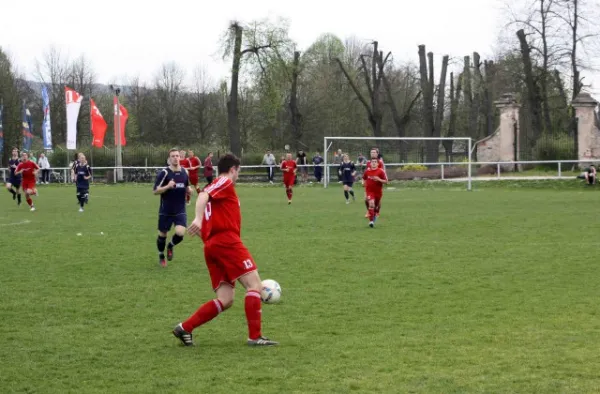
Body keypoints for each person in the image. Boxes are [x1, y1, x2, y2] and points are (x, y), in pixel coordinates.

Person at [172, 153, 278, 347]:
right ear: (232, 170)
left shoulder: (221, 189)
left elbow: (209, 206)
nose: (238, 176)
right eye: (238, 171)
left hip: (212, 245)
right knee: (254, 285)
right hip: (226, 241)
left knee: (225, 299)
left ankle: (185, 328)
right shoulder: (224, 182)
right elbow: (203, 195)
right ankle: (255, 337)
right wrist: (196, 218)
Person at [153, 149, 190, 267]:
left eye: (177, 156)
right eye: (173, 156)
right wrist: (168, 186)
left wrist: (189, 190)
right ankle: (161, 255)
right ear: (169, 158)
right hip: (166, 209)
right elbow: (155, 191)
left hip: (180, 209)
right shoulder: (164, 173)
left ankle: (171, 246)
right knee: (162, 235)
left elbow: (187, 186)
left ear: (180, 157)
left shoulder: (185, 172)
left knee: (180, 233)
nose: (175, 158)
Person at [362, 158, 388, 228]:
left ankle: (375, 214)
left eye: (375, 162)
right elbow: (364, 178)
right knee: (371, 204)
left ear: (377, 164)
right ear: (370, 164)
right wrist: (363, 183)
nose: (373, 163)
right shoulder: (367, 171)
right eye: (372, 162)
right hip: (370, 192)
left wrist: (378, 179)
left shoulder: (381, 171)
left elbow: (386, 182)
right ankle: (371, 222)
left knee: (376, 207)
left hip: (378, 192)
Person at [364, 148, 386, 217]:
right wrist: (364, 181)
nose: (372, 153)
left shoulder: (380, 162)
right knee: (366, 199)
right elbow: (366, 172)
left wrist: (379, 179)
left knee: (377, 200)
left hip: (377, 184)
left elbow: (383, 172)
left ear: (377, 154)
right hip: (369, 184)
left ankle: (377, 211)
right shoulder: (368, 162)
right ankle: (369, 211)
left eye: (374, 152)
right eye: (371, 152)